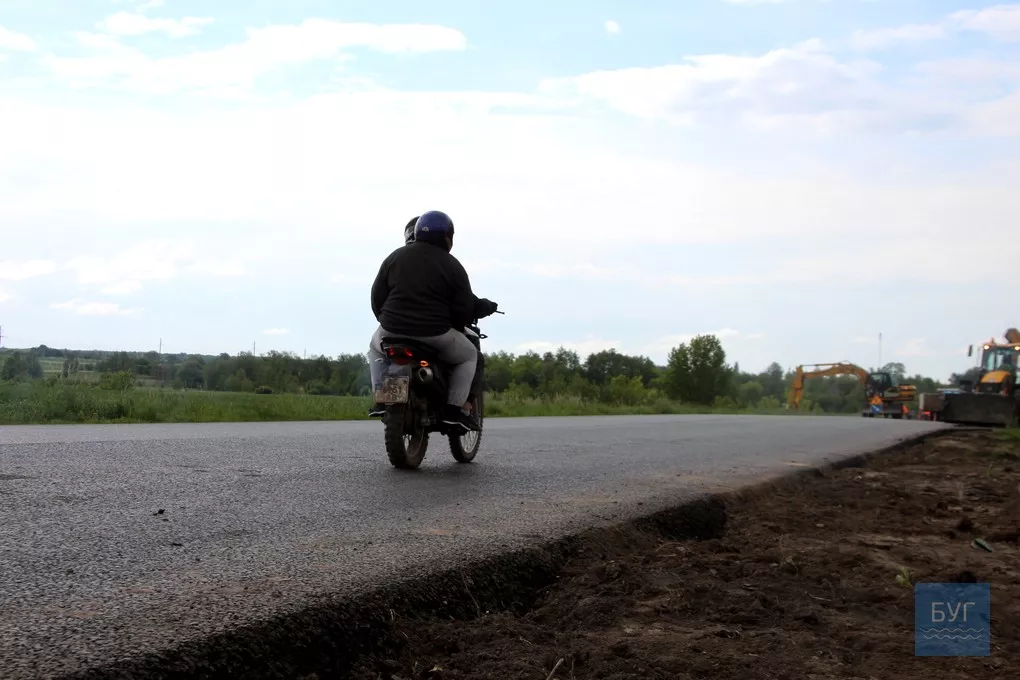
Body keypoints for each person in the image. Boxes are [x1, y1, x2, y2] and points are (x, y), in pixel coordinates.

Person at [367, 210, 498, 431]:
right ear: (448, 237)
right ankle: (454, 411)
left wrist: (388, 321)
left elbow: (377, 297)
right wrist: (455, 324)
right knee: (469, 355)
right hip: (434, 333)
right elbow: (463, 309)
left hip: (391, 329)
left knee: (374, 348)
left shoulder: (394, 257)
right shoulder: (452, 265)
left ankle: (382, 398)